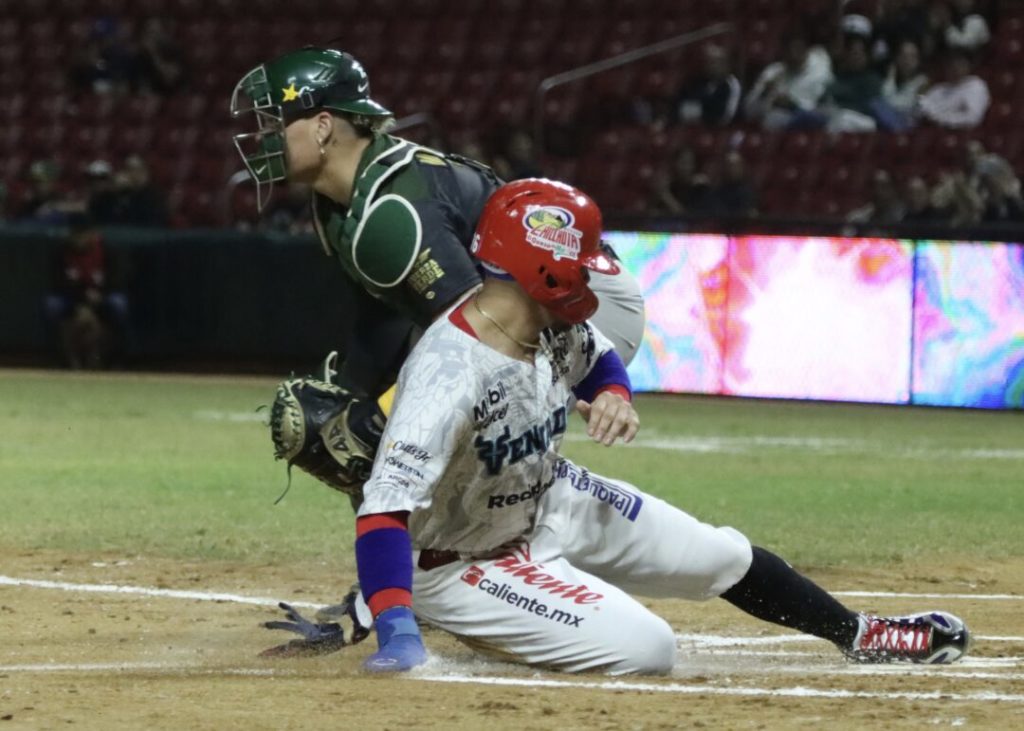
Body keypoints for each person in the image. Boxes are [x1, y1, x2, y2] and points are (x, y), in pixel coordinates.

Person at [349, 177, 971, 673]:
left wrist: (613, 394)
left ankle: (859, 634)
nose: (590, 272)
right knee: (647, 648)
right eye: (581, 260)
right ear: (542, 266)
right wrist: (397, 630)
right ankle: (444, 617)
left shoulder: (545, 321)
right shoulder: (447, 371)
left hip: (544, 497)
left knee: (721, 554)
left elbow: (599, 361)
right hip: (458, 558)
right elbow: (382, 511)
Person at [230, 46, 645, 407]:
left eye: (275, 123)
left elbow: (475, 341)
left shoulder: (391, 209)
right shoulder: (338, 201)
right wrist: (349, 396)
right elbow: (383, 316)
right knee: (394, 436)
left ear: (323, 126)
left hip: (583, 307)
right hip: (514, 309)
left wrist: (376, 417)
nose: (263, 136)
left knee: (458, 426)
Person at [42, 212, 130, 369]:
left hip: (101, 297)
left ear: (92, 233)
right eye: (75, 233)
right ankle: (58, 358)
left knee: (119, 304)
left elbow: (116, 281)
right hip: (72, 298)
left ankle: (117, 358)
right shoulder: (61, 252)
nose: (78, 238)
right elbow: (58, 283)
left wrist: (100, 296)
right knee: (52, 305)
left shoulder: (108, 251)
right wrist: (81, 302)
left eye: (82, 234)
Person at [743, 32, 833, 131]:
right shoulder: (773, 72)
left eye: (798, 50)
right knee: (773, 119)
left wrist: (793, 106)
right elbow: (749, 113)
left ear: (806, 51)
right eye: (789, 51)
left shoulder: (819, 71)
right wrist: (764, 93)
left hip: (808, 121)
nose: (793, 55)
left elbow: (819, 108)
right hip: (777, 123)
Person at [918, 49, 990, 129]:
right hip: (935, 130)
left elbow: (973, 119)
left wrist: (942, 119)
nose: (955, 68)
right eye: (951, 65)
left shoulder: (976, 85)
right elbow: (923, 109)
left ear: (968, 66)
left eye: (959, 64)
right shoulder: (938, 89)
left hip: (964, 132)